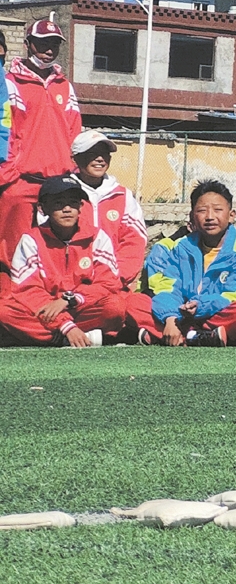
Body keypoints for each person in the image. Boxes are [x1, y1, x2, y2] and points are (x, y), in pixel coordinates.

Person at [0, 175, 157, 346]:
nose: (67, 209)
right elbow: (28, 289)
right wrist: (65, 324)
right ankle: (75, 337)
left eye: (73, 203)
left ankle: (52, 338)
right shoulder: (31, 240)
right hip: (48, 309)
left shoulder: (97, 237)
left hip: (82, 306)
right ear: (42, 208)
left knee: (114, 307)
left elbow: (107, 283)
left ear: (81, 207)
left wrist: (71, 299)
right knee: (5, 311)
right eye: (58, 203)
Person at [145, 180, 236, 346]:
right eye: (202, 211)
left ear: (231, 215)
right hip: (181, 316)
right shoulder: (182, 247)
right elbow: (168, 287)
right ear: (192, 216)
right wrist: (170, 318)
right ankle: (199, 336)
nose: (210, 217)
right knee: (137, 303)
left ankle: (173, 335)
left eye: (218, 210)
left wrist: (202, 306)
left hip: (218, 315)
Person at [0, 18, 82, 265]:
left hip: (59, 184)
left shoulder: (65, 86)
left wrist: (72, 172)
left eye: (54, 44)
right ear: (28, 44)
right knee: (13, 253)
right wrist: (10, 175)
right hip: (21, 182)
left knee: (53, 254)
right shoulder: (9, 83)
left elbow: (74, 132)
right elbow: (6, 131)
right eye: (43, 43)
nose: (49, 50)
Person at [71, 130, 148, 290]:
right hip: (69, 283)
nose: (100, 159)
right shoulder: (62, 194)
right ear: (76, 158)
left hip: (112, 284)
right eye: (92, 153)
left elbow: (134, 241)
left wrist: (116, 279)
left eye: (104, 154)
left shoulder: (123, 196)